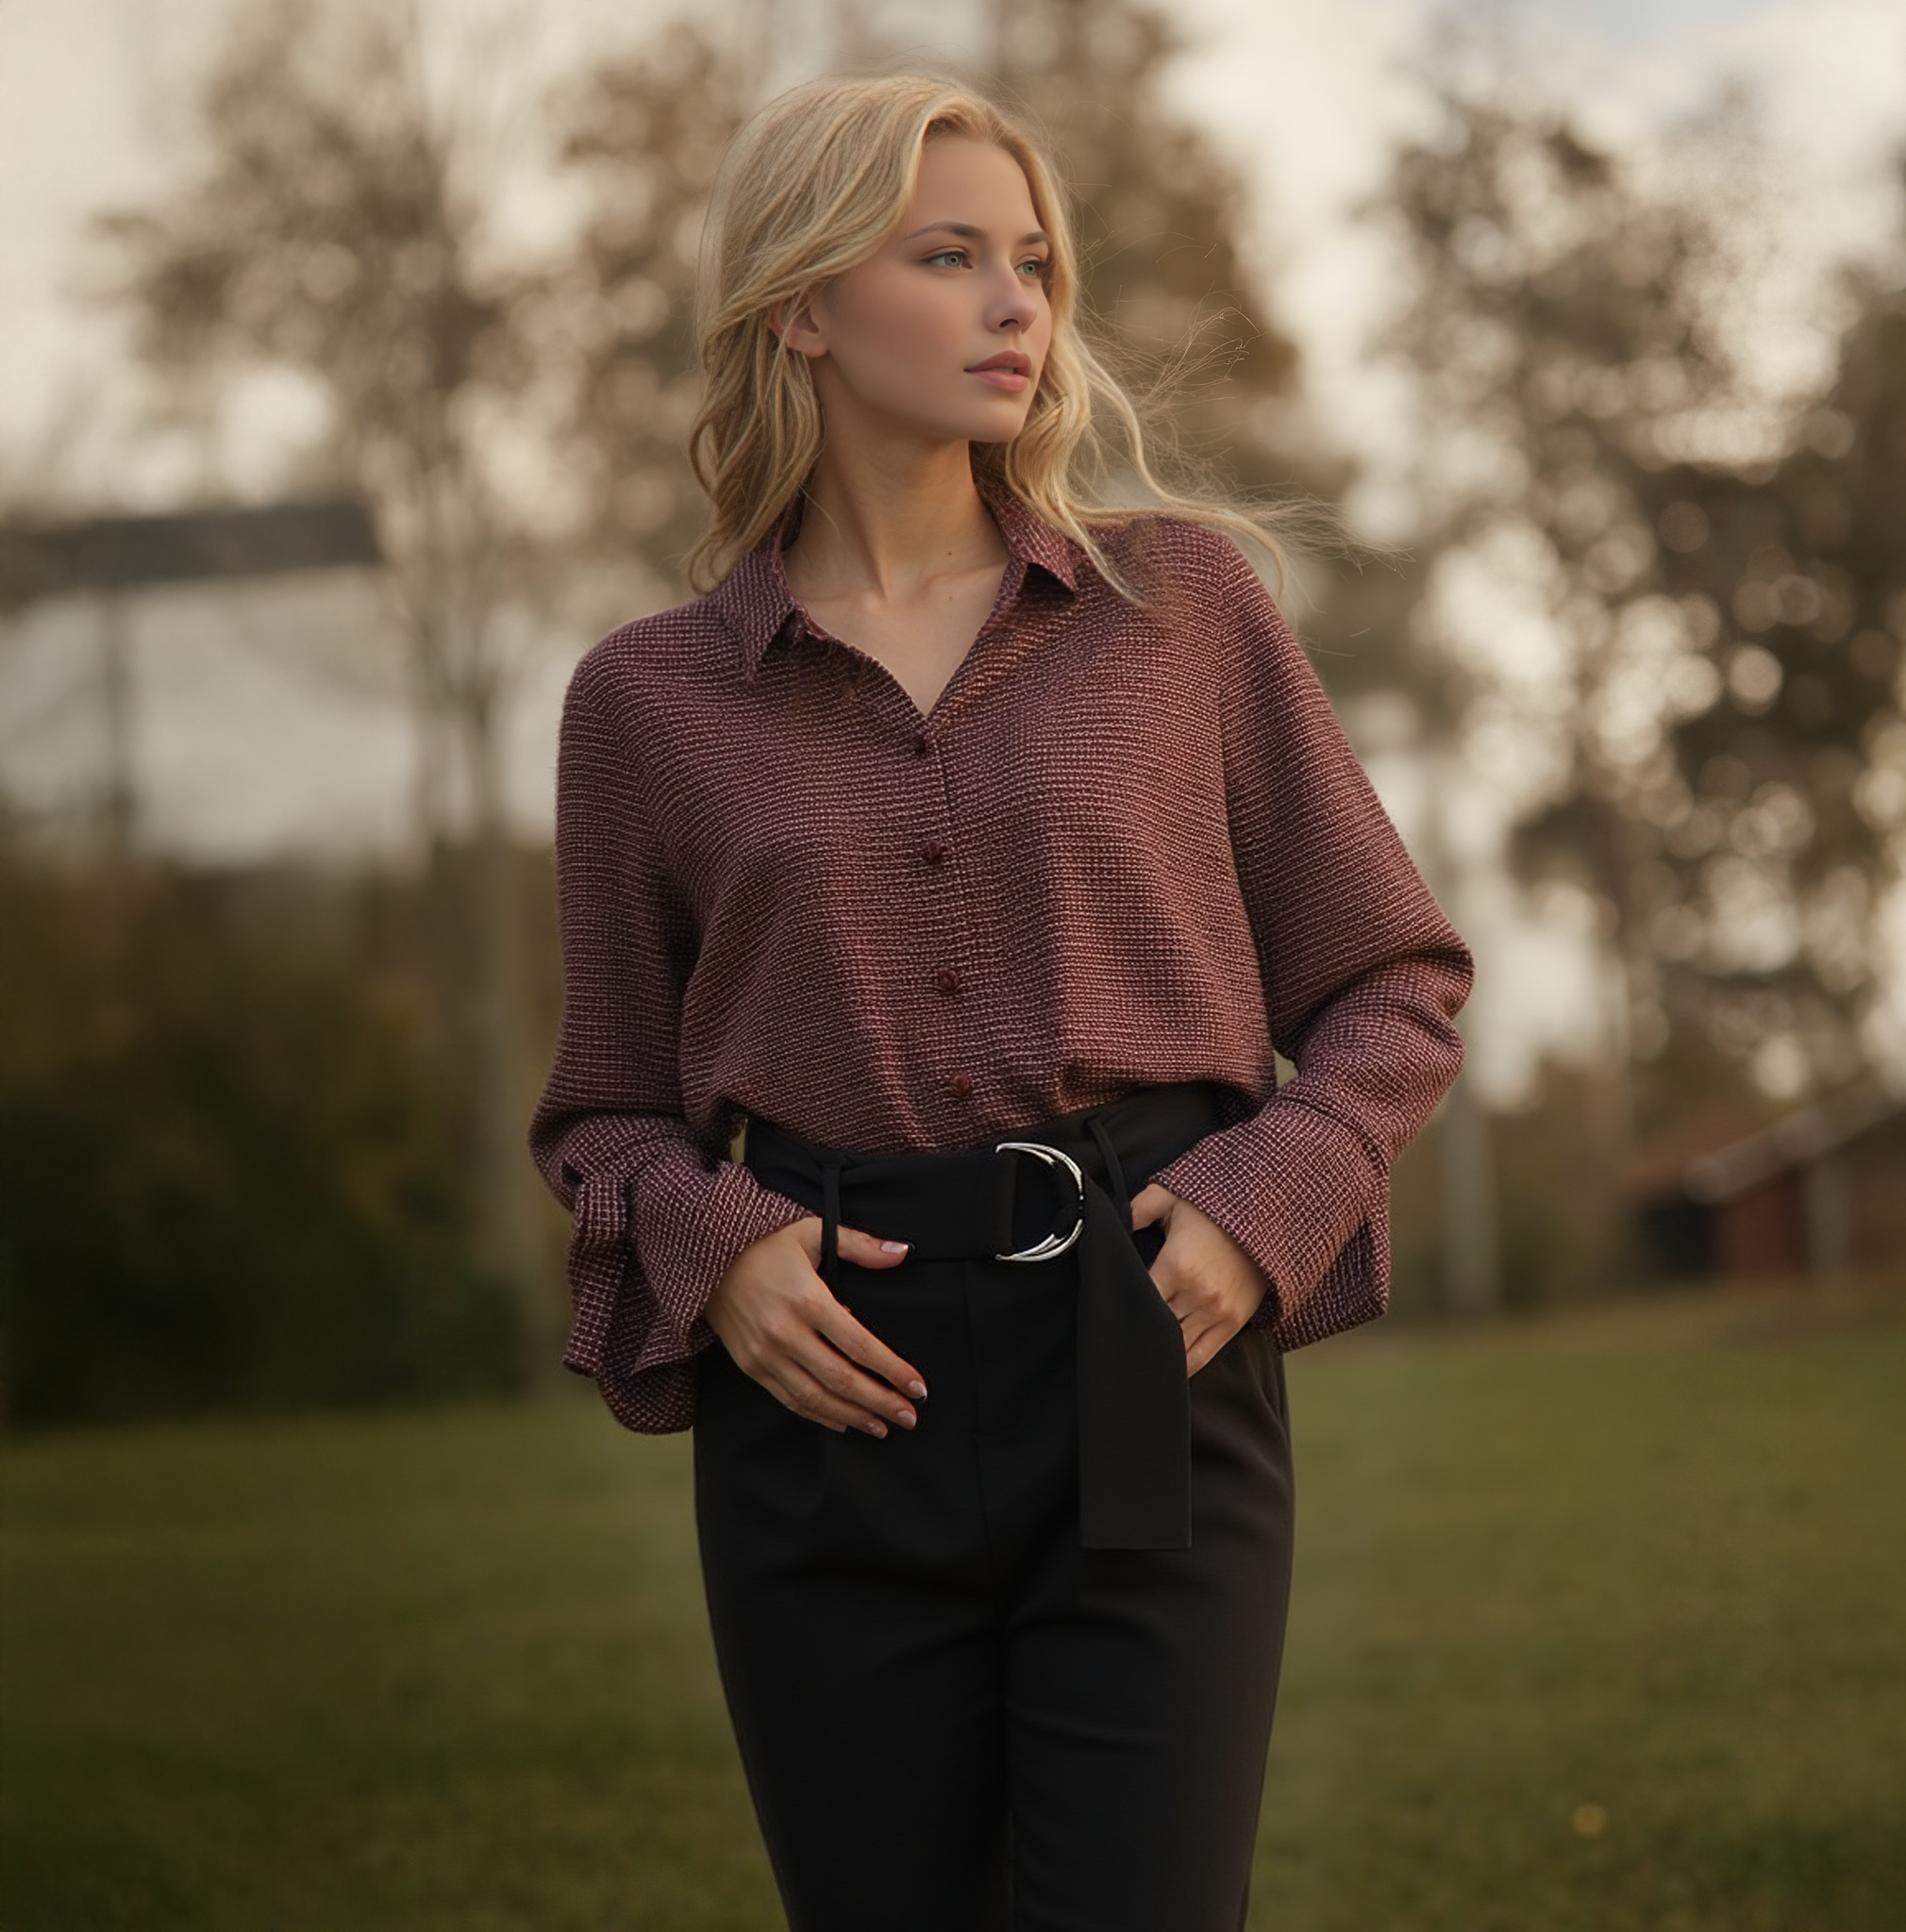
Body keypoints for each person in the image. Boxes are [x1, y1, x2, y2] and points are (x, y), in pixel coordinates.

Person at [528, 71, 1472, 1932]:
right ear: (801, 302)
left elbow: (1394, 987)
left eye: (1031, 262)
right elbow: (604, 1111)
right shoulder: (643, 706)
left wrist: (1262, 1204)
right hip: (826, 1395)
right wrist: (714, 1248)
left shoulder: (1176, 612)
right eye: (945, 255)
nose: (1014, 304)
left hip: (1145, 1347)